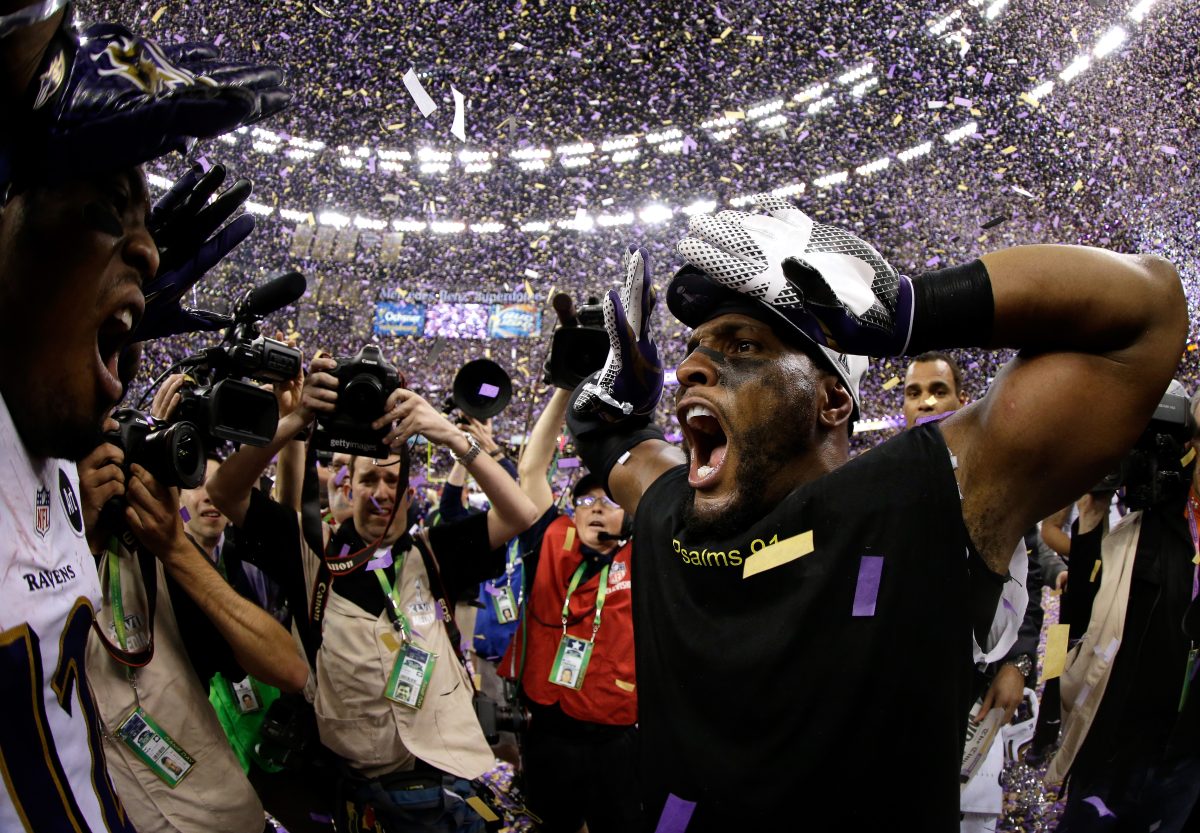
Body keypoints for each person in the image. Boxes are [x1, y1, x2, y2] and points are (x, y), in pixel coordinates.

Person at [565, 197, 1186, 829]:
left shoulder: (921, 497)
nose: (689, 368)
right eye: (695, 348)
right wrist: (614, 397)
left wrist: (914, 308)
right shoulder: (675, 508)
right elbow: (602, 429)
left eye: (744, 346)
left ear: (833, 401)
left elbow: (1148, 309)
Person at [0, 8, 287, 827]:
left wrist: (101, 315)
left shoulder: (49, 457)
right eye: (107, 207)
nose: (152, 251)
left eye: (145, 223)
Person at [207, 353, 540, 832]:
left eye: (391, 479)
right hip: (358, 785)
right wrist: (296, 419)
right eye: (368, 479)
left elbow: (521, 514)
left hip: (447, 775)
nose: (381, 492)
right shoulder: (311, 555)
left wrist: (451, 436)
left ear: (409, 493)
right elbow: (224, 490)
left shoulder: (434, 553)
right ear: (348, 489)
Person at [79, 437, 308, 833]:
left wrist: (176, 550)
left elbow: (289, 669)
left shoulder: (160, 561)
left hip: (229, 807)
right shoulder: (24, 583)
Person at [1047, 383, 1200, 832]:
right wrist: (1090, 523)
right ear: (1190, 446)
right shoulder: (1144, 530)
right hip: (1118, 753)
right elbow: (1073, 625)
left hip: (1187, 763)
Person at [499, 385, 642, 833]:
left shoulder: (645, 554)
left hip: (615, 735)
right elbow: (530, 469)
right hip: (549, 730)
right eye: (586, 501)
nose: (596, 508)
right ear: (572, 512)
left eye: (610, 501)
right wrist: (563, 386)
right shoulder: (549, 538)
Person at [901, 351, 1034, 833]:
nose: (926, 402)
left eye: (938, 390)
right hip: (903, 698)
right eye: (914, 393)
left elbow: (1028, 583)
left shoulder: (1001, 487)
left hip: (974, 694)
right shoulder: (880, 488)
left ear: (962, 400)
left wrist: (1018, 663)